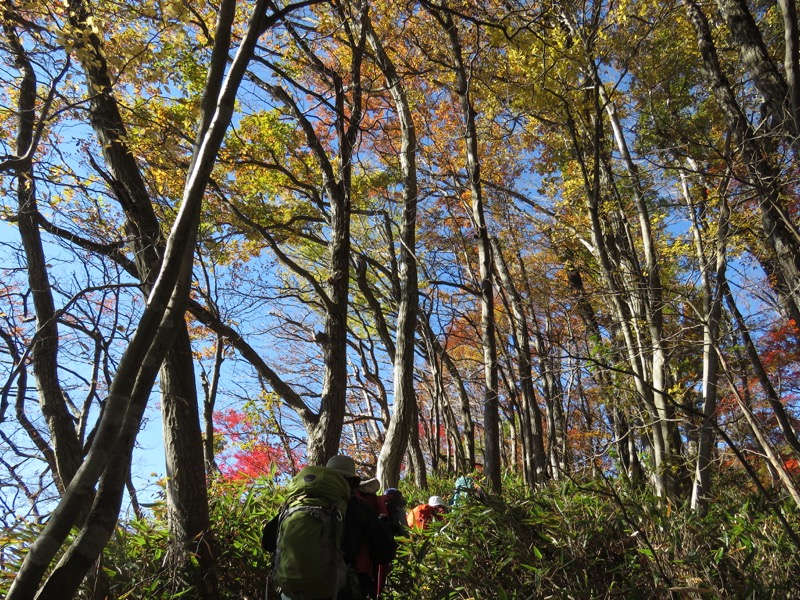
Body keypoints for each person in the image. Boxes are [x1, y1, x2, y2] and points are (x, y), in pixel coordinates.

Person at [327, 456, 395, 600]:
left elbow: (268, 543)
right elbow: (383, 554)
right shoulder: (359, 506)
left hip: (295, 585)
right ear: (352, 481)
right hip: (346, 584)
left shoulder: (297, 503)